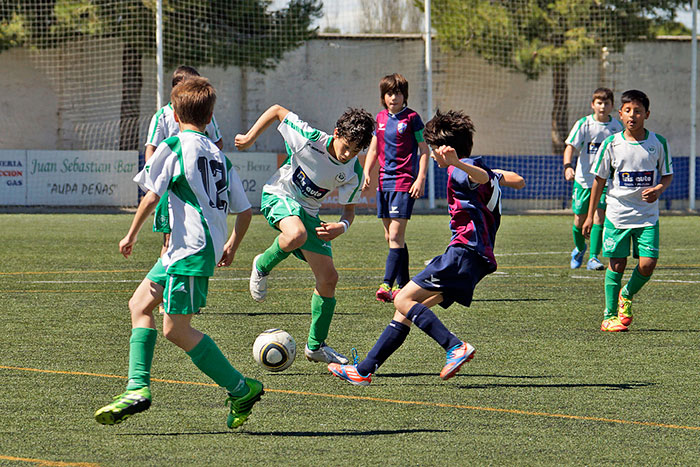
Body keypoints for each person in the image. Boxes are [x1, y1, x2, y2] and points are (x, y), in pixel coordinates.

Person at [94, 77, 262, 429]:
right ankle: (137, 388)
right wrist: (231, 245)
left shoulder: (173, 145)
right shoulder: (220, 157)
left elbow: (151, 196)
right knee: (139, 305)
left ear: (173, 113)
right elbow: (246, 211)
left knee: (176, 329)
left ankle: (241, 388)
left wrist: (130, 235)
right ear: (211, 116)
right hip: (187, 250)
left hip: (191, 250)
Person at [327, 110, 525, 385]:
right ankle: (363, 370)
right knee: (405, 310)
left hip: (464, 253)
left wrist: (456, 162)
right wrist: (485, 172)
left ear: (446, 149)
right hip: (478, 261)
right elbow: (517, 180)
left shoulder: (460, 170)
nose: (431, 155)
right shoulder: (482, 170)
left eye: (433, 149)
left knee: (401, 299)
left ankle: (454, 346)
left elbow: (477, 178)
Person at [235, 104, 374, 365]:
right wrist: (250, 137)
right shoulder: (309, 138)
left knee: (329, 279)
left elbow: (349, 212)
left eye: (356, 151)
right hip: (279, 195)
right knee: (296, 234)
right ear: (336, 133)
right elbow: (277, 110)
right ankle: (262, 265)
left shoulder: (353, 171)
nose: (348, 154)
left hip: (308, 213)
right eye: (346, 146)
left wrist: (341, 227)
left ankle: (316, 346)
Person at [583, 89, 673, 332]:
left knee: (648, 263)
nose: (633, 115)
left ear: (647, 114)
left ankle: (627, 293)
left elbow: (667, 175)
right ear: (620, 114)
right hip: (617, 215)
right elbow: (599, 181)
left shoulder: (658, 143)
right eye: (628, 111)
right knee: (617, 264)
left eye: (638, 111)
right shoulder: (611, 144)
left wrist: (658, 189)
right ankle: (609, 316)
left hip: (647, 216)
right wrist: (590, 216)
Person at [145, 65, 224, 315]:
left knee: (190, 233)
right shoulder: (163, 115)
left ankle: (182, 295)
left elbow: (218, 142)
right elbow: (151, 147)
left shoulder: (203, 112)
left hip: (194, 184)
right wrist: (154, 175)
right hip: (170, 185)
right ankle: (167, 295)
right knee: (169, 238)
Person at [362, 73, 430, 302]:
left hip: (404, 181)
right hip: (384, 182)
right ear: (383, 96)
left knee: (395, 235)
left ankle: (386, 284)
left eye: (398, 93)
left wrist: (420, 179)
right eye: (390, 93)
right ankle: (404, 285)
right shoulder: (380, 118)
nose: (394, 97)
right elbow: (373, 149)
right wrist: (367, 172)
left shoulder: (412, 118)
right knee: (391, 237)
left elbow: (424, 150)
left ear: (404, 96)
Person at [563, 87, 624, 271]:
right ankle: (580, 248)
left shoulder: (617, 127)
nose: (602, 106)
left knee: (599, 217)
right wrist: (568, 166)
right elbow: (570, 146)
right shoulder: (584, 124)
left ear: (612, 106)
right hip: (583, 180)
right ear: (593, 105)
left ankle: (593, 258)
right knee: (579, 220)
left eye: (606, 103)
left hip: (605, 181)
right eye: (599, 103)